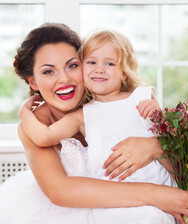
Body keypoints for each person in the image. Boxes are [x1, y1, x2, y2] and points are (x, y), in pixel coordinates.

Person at [0, 23, 188, 224]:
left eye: (72, 66)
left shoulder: (123, 100)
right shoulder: (38, 124)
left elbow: (181, 167)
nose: (64, 79)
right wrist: (24, 112)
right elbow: (60, 191)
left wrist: (154, 146)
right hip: (76, 220)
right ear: (33, 81)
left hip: (151, 213)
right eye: (48, 71)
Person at [19, 30, 175, 183]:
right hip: (119, 197)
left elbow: (174, 150)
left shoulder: (142, 98)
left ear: (124, 72)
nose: (99, 69)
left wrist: (159, 118)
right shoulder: (82, 115)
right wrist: (24, 112)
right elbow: (43, 137)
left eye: (110, 63)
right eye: (91, 62)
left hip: (162, 185)